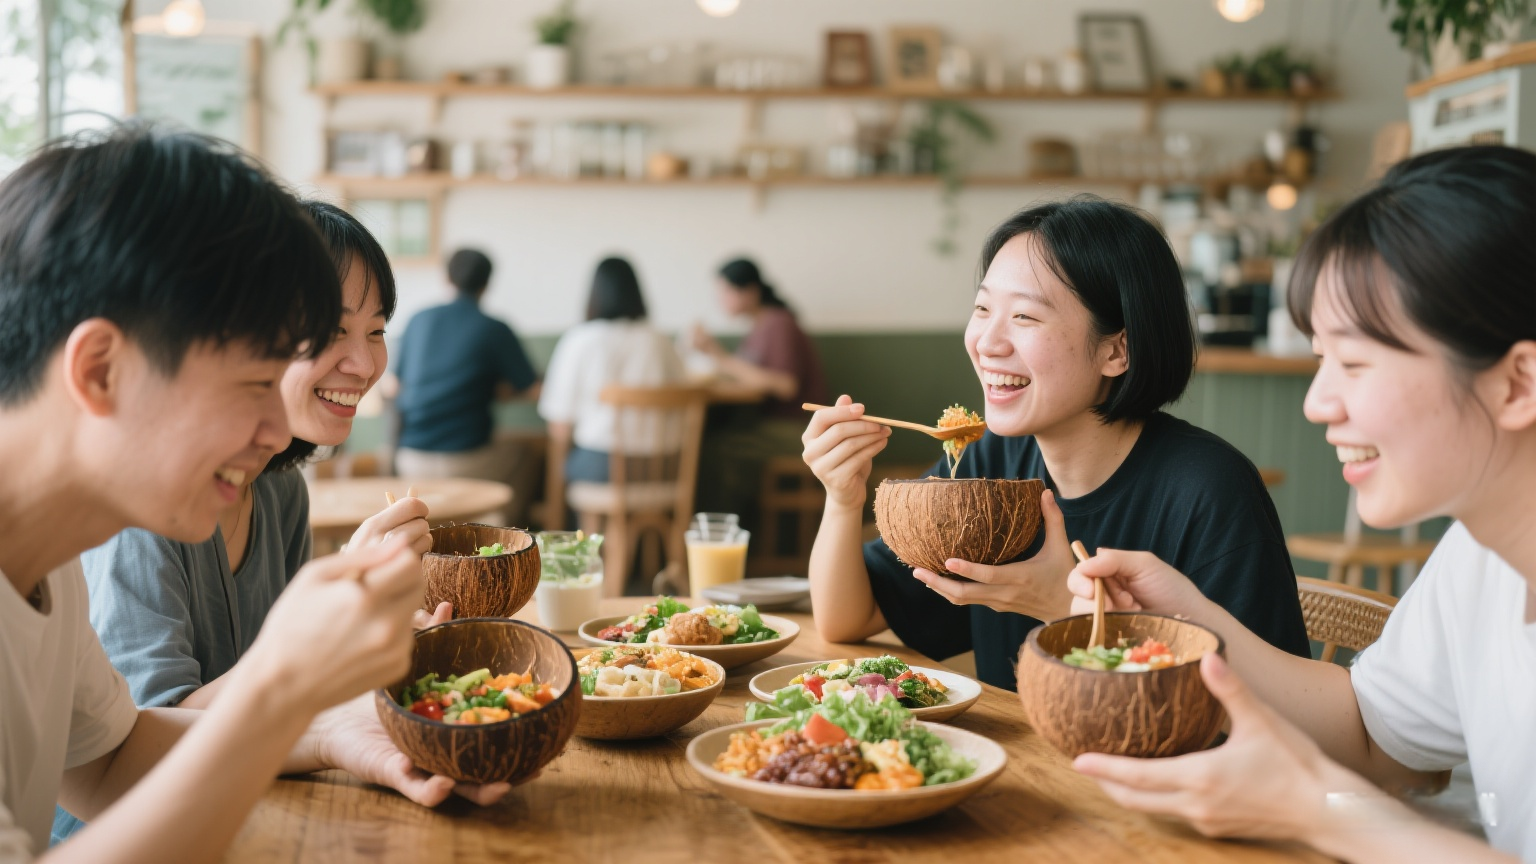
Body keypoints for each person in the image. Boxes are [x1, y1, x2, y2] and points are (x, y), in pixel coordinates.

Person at [0, 125, 465, 863]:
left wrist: (325, 734)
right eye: (255, 383)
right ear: (100, 370)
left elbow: (110, 761)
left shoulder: (47, 563)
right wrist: (281, 684)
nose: (278, 430)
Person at [1063, 147, 1536, 862]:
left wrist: (1320, 811)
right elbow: (1380, 742)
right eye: (1320, 361)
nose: (1318, 404)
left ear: (1518, 382)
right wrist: (1184, 617)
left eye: (1354, 362)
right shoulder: (1480, 557)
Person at [802, 197, 1309, 690]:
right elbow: (849, 618)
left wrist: (1064, 610)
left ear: (1117, 350)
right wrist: (843, 498)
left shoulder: (1207, 491)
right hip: (1026, 770)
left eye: (1024, 316)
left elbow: (1266, 717)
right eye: (982, 308)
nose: (987, 342)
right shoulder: (990, 467)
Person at [391, 248, 539, 487]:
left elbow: (395, 386)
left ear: (447, 278)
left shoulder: (417, 319)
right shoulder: (495, 328)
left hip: (410, 458)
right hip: (469, 458)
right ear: (487, 284)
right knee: (525, 454)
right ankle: (497, 522)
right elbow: (533, 389)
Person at [538, 256, 684, 490]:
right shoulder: (659, 340)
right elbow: (683, 396)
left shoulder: (580, 339)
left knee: (571, 466)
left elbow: (560, 425)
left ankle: (582, 527)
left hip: (602, 465)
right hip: (662, 465)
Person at [692, 257, 827, 417]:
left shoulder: (779, 323)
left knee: (715, 440)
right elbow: (748, 376)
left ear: (751, 291)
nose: (720, 300)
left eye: (726, 291)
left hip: (793, 423)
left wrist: (718, 355)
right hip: (770, 421)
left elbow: (787, 387)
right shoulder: (758, 326)